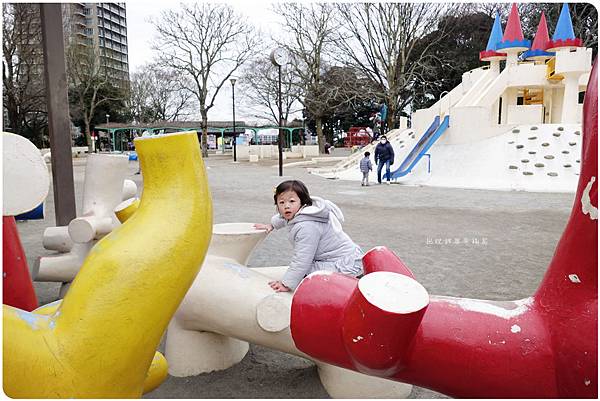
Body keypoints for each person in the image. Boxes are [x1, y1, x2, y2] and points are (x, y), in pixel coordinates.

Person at [254, 180, 364, 292]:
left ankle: (351, 284)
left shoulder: (307, 227)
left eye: (292, 201)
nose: (286, 206)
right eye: (281, 202)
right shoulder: (303, 213)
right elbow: (285, 218)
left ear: (302, 202)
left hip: (344, 263)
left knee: (308, 273)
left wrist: (286, 284)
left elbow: (302, 259)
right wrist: (272, 225)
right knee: (306, 271)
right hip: (339, 257)